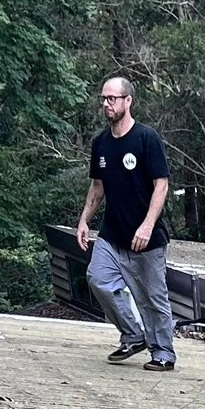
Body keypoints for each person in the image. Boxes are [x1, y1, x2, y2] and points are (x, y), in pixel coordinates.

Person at [76, 75, 177, 372]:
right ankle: (133, 335)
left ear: (128, 101)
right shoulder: (101, 143)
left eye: (112, 99)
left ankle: (163, 352)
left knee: (152, 298)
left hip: (147, 240)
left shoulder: (146, 138)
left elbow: (162, 185)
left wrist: (147, 226)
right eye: (103, 99)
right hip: (112, 235)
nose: (106, 104)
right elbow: (97, 186)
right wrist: (83, 221)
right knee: (97, 278)